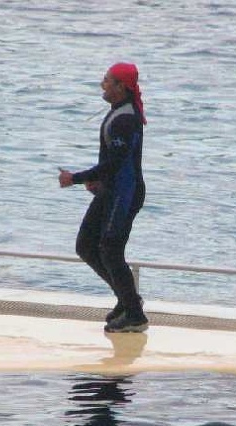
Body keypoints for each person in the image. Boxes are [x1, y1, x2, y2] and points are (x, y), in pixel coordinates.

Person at [59, 63, 148, 333]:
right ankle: (127, 299)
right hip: (111, 190)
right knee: (86, 245)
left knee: (110, 249)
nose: (102, 84)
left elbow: (115, 163)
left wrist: (76, 178)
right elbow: (113, 163)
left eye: (107, 80)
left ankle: (134, 314)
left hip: (125, 193)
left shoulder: (125, 119)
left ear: (121, 87)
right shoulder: (118, 113)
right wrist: (97, 182)